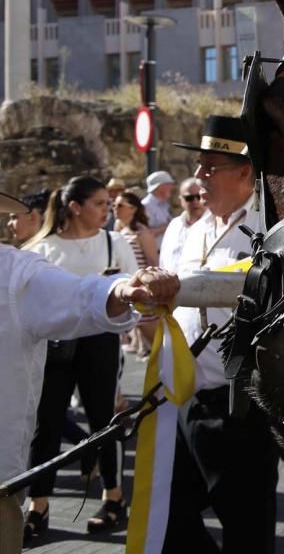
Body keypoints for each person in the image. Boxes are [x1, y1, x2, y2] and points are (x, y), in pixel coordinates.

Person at [0, 188, 180, 554]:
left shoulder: (13, 272)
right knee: (49, 427)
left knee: (95, 420)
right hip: (63, 352)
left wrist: (122, 290)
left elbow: (78, 294)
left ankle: (110, 495)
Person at [162, 116, 278, 552]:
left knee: (246, 529)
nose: (198, 177)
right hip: (187, 395)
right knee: (169, 518)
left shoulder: (268, 230)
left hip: (239, 405)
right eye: (199, 166)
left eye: (210, 167)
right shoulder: (193, 229)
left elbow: (251, 285)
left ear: (245, 172)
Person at [23, 176, 141, 538]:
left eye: (109, 203)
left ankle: (114, 497)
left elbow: (133, 288)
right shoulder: (42, 248)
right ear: (75, 207)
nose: (109, 209)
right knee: (46, 423)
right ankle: (38, 504)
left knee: (103, 419)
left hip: (100, 342)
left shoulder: (113, 241)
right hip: (54, 346)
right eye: (100, 203)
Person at [113, 191, 161, 357]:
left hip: (143, 291)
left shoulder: (142, 232)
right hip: (128, 290)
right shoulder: (119, 231)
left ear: (133, 209)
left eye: (119, 205)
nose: (114, 208)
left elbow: (153, 262)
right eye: (114, 205)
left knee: (159, 346)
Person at [159, 177, 205, 273]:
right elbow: (163, 260)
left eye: (199, 196)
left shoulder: (214, 224)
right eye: (189, 198)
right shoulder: (174, 225)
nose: (195, 201)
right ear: (181, 200)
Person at [142, 170, 175, 243]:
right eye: (168, 184)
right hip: (155, 252)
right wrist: (168, 226)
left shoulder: (165, 205)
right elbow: (146, 233)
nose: (172, 187)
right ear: (160, 186)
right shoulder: (145, 206)